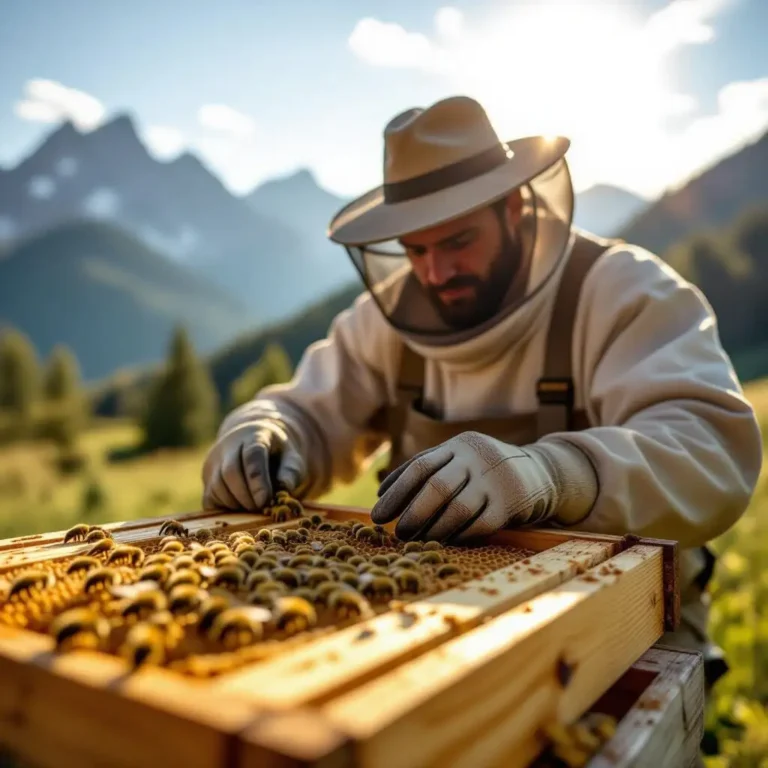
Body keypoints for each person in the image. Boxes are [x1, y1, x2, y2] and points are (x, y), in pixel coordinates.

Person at [200, 95, 762, 689]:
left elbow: (709, 449)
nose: (436, 273)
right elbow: (304, 413)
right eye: (416, 250)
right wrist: (261, 432)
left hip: (625, 630)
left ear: (515, 206)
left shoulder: (624, 290)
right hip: (430, 627)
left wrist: (553, 473)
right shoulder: (383, 324)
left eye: (458, 241)